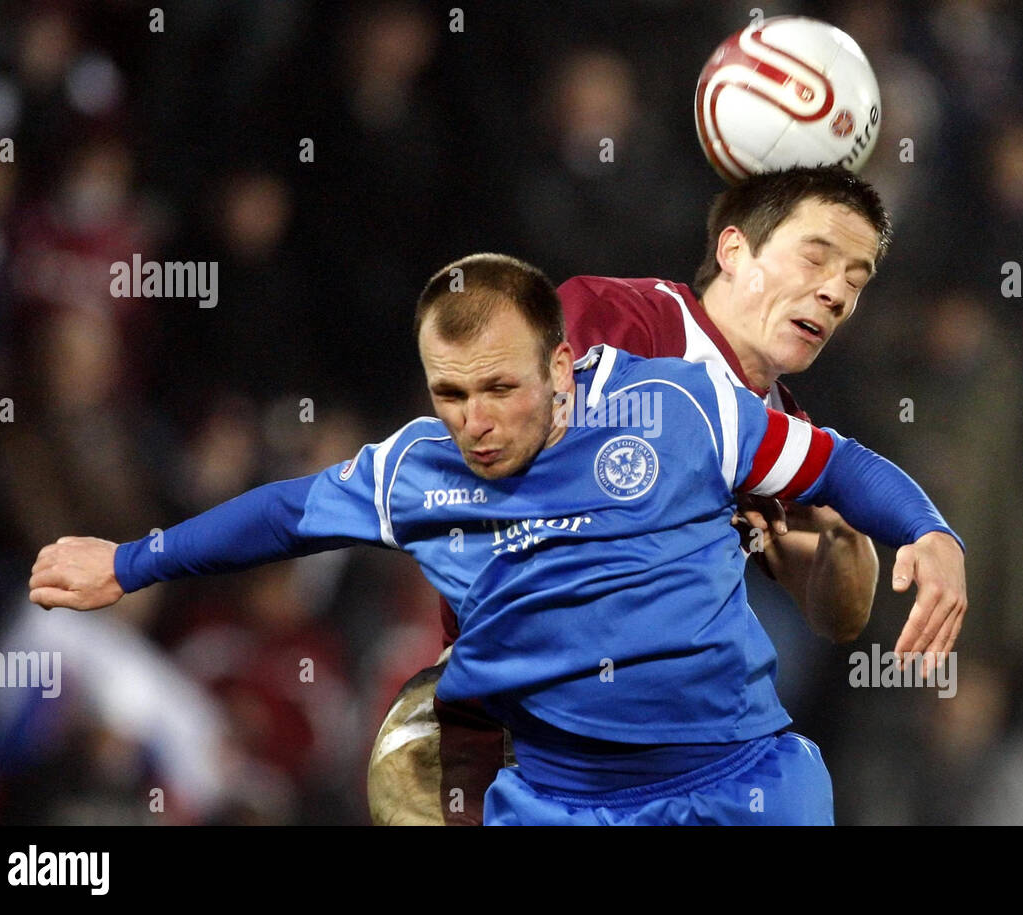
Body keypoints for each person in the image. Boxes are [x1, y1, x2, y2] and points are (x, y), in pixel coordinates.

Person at [29, 253, 967, 826]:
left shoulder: (680, 406)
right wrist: (126, 561)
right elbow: (279, 516)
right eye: (451, 393)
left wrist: (926, 527)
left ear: (562, 363)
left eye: (502, 389)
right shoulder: (417, 471)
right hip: (560, 803)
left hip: (743, 781)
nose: (475, 421)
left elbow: (836, 464)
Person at [374, 166, 916, 825]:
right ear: (734, 250)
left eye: (855, 282)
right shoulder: (618, 319)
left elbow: (840, 613)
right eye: (816, 259)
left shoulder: (785, 435)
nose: (835, 293)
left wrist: (838, 530)